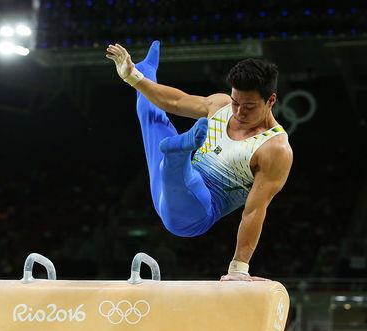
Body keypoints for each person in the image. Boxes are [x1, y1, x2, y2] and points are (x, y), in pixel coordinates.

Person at [105, 41, 293, 282]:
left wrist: (239, 268)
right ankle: (144, 73)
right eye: (236, 102)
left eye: (249, 107)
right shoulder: (221, 104)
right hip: (165, 190)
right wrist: (133, 77)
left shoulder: (274, 148)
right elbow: (173, 102)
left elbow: (254, 211)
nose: (238, 112)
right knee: (152, 115)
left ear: (271, 100)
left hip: (196, 212)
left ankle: (180, 150)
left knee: (180, 171)